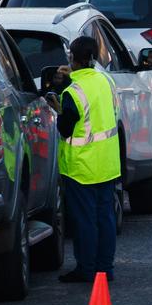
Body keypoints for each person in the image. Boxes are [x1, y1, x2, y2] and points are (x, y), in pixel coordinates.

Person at [48, 36, 121, 283]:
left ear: (72, 59)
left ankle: (87, 269)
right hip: (107, 163)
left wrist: (58, 105)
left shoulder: (72, 92)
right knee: (106, 217)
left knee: (85, 221)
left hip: (82, 167)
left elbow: (66, 129)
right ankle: (105, 268)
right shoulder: (106, 81)